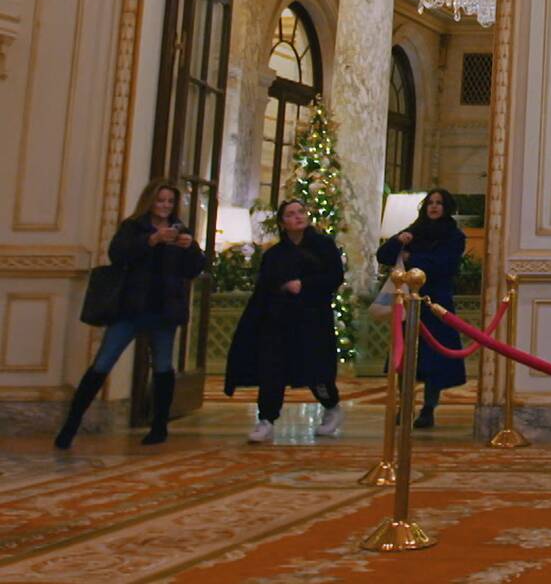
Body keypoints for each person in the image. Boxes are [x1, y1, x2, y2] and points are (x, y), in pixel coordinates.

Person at [55, 179, 205, 449]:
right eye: (161, 201)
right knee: (103, 362)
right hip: (131, 307)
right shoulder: (133, 227)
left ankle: (159, 426)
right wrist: (152, 240)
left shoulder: (181, 230)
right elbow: (118, 254)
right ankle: (71, 425)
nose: (165, 206)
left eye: (170, 202)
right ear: (150, 201)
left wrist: (190, 247)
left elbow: (193, 269)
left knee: (162, 366)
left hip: (164, 308)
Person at [225, 199, 347, 444]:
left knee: (317, 370)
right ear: (283, 222)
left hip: (313, 319)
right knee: (272, 369)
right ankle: (266, 420)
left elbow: (334, 277)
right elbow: (264, 287)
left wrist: (305, 285)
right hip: (279, 320)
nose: (297, 217)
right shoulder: (274, 254)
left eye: (301, 212)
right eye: (290, 214)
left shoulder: (324, 246)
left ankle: (331, 407)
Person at [377, 188, 466, 428]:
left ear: (447, 208)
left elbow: (443, 265)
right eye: (430, 203)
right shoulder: (414, 230)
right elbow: (383, 255)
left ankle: (429, 407)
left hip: (436, 302)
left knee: (434, 360)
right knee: (405, 357)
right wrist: (398, 241)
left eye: (439, 203)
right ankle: (404, 405)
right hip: (408, 302)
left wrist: (410, 259)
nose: (434, 207)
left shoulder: (454, 235)